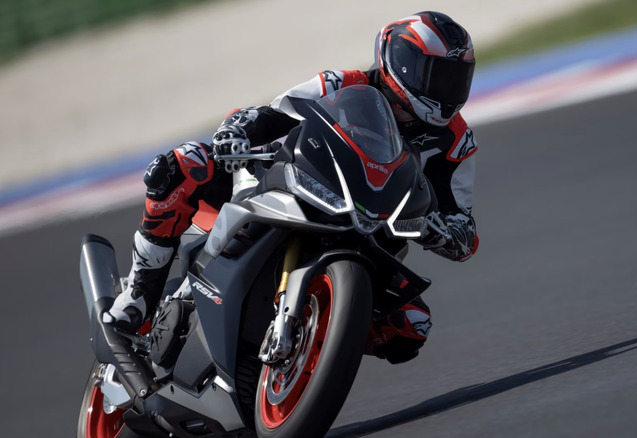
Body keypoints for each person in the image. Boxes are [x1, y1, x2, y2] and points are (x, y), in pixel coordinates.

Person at [103, 11, 479, 364]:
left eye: (456, 79)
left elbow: (464, 225)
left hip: (371, 237)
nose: (447, 90)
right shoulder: (342, 84)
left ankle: (315, 351)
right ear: (401, 63)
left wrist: (448, 233)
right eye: (437, 76)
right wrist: (236, 133)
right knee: (181, 167)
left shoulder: (456, 141)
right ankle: (139, 293)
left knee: (410, 328)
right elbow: (272, 114)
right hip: (300, 190)